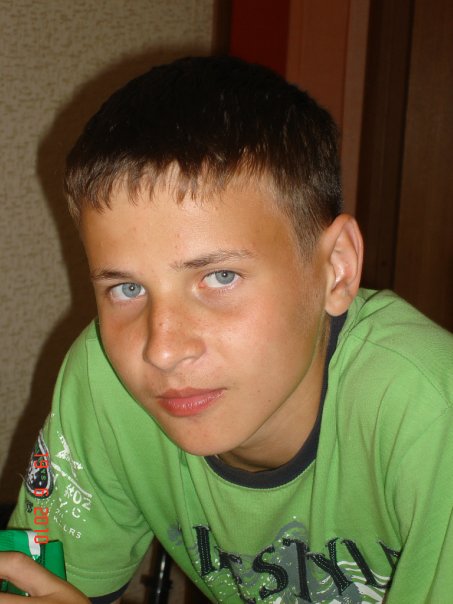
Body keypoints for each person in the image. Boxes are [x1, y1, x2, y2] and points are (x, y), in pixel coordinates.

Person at [4, 55, 453, 603]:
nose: (163, 349)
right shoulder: (107, 382)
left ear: (336, 269)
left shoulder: (433, 414)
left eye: (220, 277)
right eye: (127, 288)